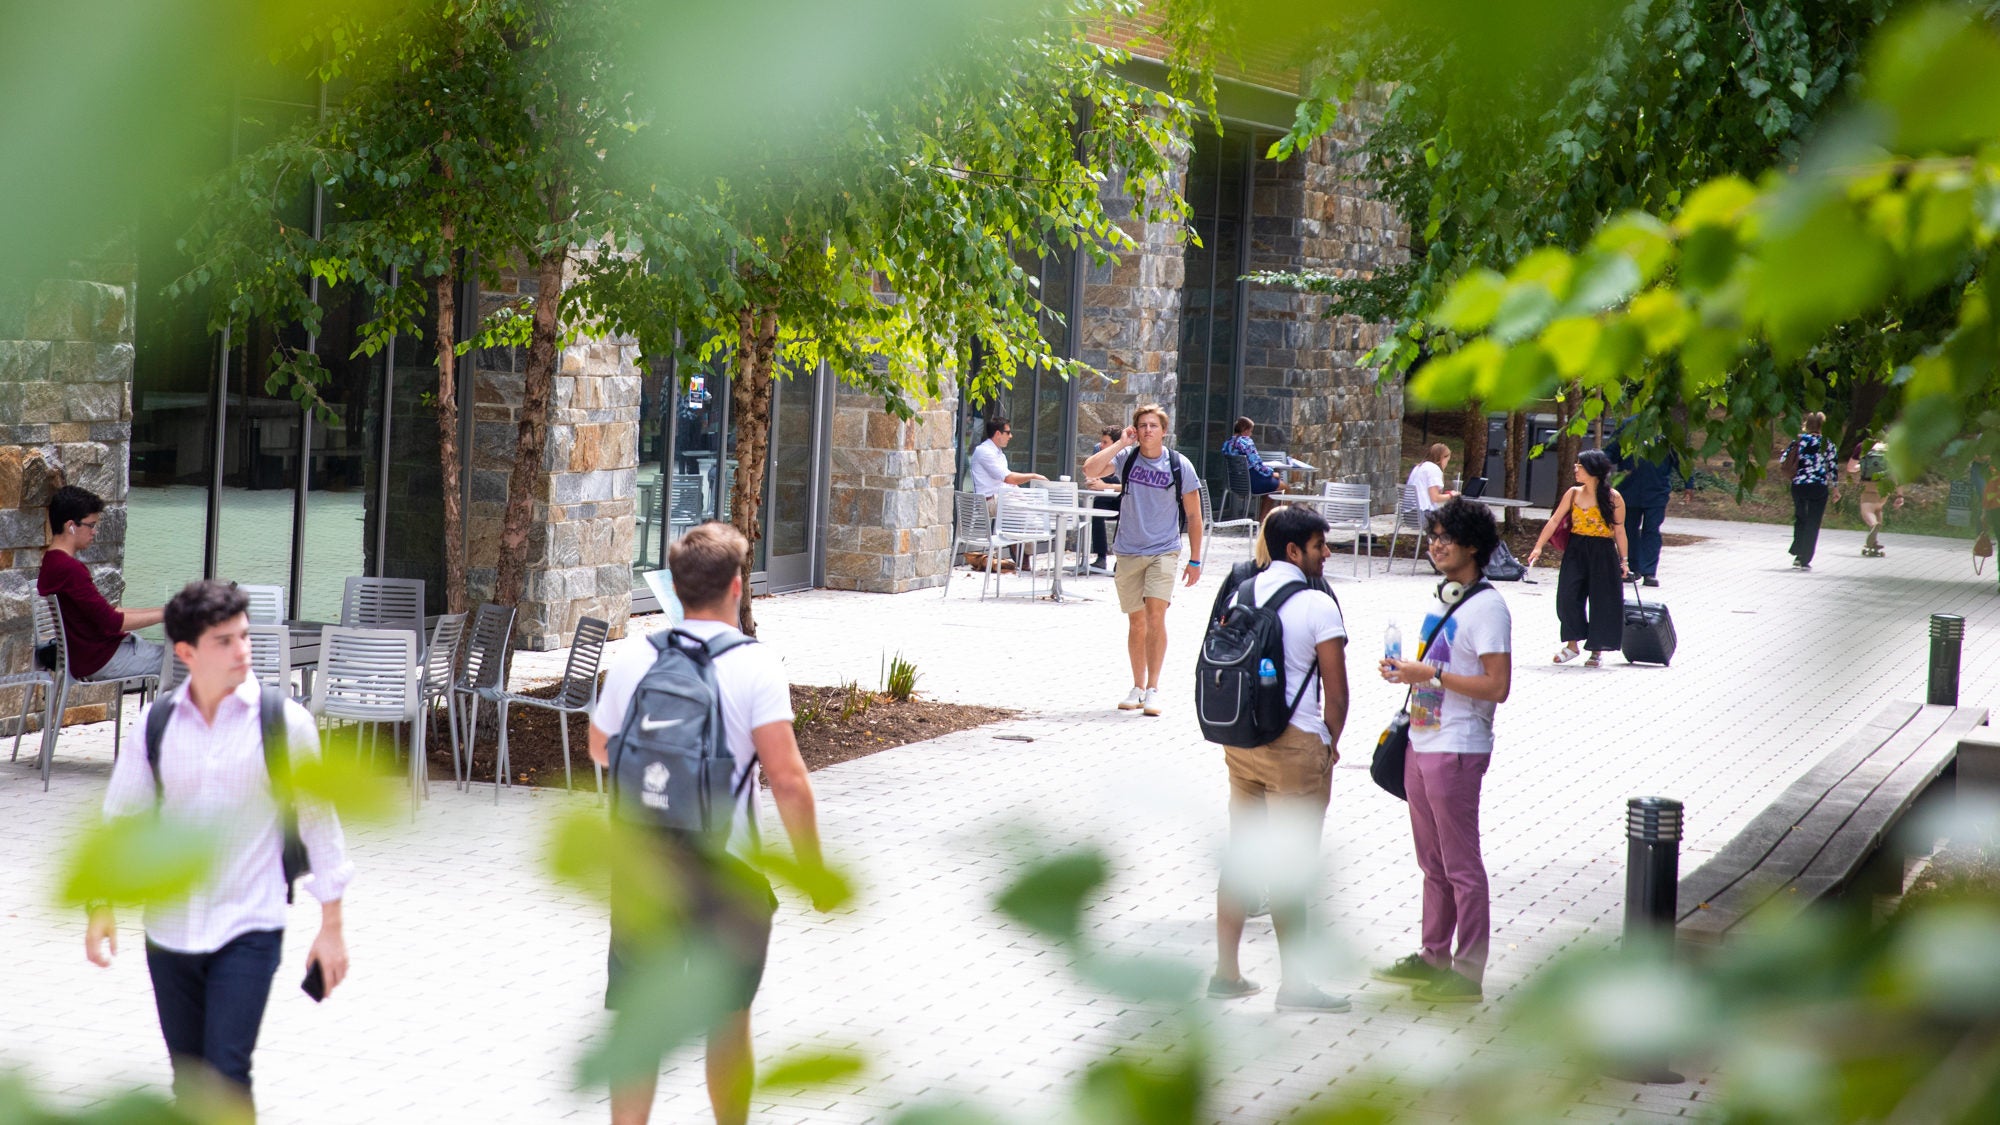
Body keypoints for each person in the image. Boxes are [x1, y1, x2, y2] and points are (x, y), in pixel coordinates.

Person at [588, 521, 831, 1125]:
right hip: (730, 872)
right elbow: (789, 780)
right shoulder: (756, 664)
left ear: (675, 585)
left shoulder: (638, 653)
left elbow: (599, 747)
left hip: (645, 865)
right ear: (736, 586)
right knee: (728, 1021)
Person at [87, 580, 353, 1117]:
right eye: (224, 641)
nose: (242, 651)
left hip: (249, 927)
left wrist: (331, 927)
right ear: (186, 653)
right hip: (169, 930)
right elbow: (121, 820)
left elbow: (320, 825)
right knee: (188, 1080)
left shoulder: (286, 725)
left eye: (245, 637)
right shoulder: (155, 725)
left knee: (226, 1074)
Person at [1206, 505, 1351, 1013]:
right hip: (1295, 748)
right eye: (1319, 545)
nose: (1327, 553)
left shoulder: (1242, 591)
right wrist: (1328, 744)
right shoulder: (1317, 605)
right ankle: (1295, 986)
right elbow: (1337, 692)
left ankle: (1226, 973)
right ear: (1295, 550)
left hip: (1241, 744)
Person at [1374, 498, 1512, 1004]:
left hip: (1458, 748)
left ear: (1472, 546)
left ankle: (1467, 972)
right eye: (1431, 537)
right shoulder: (1443, 598)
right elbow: (1433, 668)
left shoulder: (1488, 608)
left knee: (1461, 865)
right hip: (1421, 737)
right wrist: (1408, 674)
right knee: (1432, 863)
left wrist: (1428, 673)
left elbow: (1498, 686)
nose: (1435, 545)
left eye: (1445, 538)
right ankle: (1433, 958)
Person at [1081, 403, 1205, 718]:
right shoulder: (1127, 458)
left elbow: (1193, 515)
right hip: (1128, 550)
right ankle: (1136, 688)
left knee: (1155, 618)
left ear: (1164, 431)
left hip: (1164, 550)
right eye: (1143, 426)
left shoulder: (1179, 465)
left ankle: (1153, 689)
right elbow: (1090, 471)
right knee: (1136, 623)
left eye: (1154, 425)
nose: (1148, 430)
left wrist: (1195, 559)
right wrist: (1122, 442)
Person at [37, 485, 166, 680]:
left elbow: (107, 613)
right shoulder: (69, 569)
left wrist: (165, 610)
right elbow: (112, 622)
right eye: (91, 525)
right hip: (99, 659)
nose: (95, 532)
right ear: (71, 525)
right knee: (190, 660)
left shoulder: (52, 561)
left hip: (94, 653)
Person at [1526, 450, 1628, 666]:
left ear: (1593, 470)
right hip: (1576, 548)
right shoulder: (1573, 493)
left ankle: (1596, 650)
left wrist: (1624, 560)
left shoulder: (1614, 497)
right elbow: (1554, 521)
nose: (1575, 468)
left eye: (1580, 465)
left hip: (1603, 552)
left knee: (1602, 600)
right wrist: (1538, 547)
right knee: (1567, 596)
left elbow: (1619, 531)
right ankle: (1572, 645)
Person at [1613, 427, 1679, 587]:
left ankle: (1649, 572)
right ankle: (1630, 568)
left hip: (1656, 491)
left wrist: (1689, 483)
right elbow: (1611, 451)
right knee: (1628, 529)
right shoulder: (1629, 427)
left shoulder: (1667, 432)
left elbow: (1681, 458)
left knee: (1652, 530)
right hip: (1629, 490)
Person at [1782, 412, 1839, 570]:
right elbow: (1832, 467)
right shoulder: (1827, 443)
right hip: (1818, 486)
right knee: (1813, 521)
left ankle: (1798, 549)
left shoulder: (1798, 441)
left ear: (1806, 423)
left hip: (1799, 484)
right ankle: (1804, 558)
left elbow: (1783, 459)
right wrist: (1835, 489)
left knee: (1800, 517)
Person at [1220, 417, 1289, 518]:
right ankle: (1286, 521)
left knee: (1271, 489)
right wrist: (1272, 473)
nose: (1251, 434)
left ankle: (1262, 521)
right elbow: (1257, 465)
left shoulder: (1227, 444)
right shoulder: (1247, 442)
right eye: (1250, 431)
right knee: (1285, 487)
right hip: (1252, 482)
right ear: (1245, 430)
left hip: (1236, 483)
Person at [965, 415, 1048, 498]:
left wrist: (1026, 498)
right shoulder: (984, 451)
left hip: (1001, 500)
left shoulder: (999, 454)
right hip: (990, 502)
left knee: (1035, 505)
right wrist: (1033, 476)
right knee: (1030, 508)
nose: (1010, 436)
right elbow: (1008, 478)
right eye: (1008, 432)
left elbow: (1009, 483)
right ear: (998, 433)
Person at [1847, 437, 1903, 558]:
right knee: (1878, 508)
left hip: (1868, 486)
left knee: (1867, 511)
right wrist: (1900, 495)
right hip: (1885, 487)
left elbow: (1850, 468)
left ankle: (1873, 525)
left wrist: (1860, 467)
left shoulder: (1863, 446)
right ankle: (1873, 541)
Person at [1082, 426, 1124, 574]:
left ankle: (1121, 560)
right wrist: (1092, 481)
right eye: (1101, 441)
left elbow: (1130, 485)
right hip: (1104, 497)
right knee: (1095, 509)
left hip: (1121, 496)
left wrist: (1106, 485)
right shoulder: (1098, 450)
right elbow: (1093, 473)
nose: (1101, 445)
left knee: (1127, 512)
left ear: (1116, 444)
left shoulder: (1127, 455)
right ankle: (1101, 557)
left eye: (1105, 442)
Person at [1406, 443, 1457, 516]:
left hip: (1408, 514)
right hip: (1421, 514)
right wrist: (1452, 495)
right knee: (1456, 517)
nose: (1446, 464)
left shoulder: (1419, 467)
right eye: (1447, 461)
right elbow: (1435, 498)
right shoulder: (1433, 469)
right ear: (1442, 458)